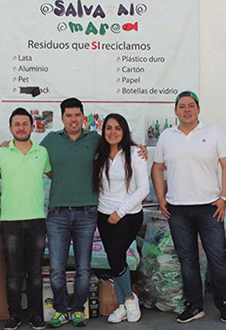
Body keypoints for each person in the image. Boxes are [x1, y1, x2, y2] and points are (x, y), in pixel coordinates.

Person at [38, 98, 147, 328]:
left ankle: (80, 309)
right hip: (60, 213)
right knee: (57, 267)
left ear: (83, 116)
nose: (73, 119)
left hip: (88, 213)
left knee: (86, 266)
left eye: (77, 115)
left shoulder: (96, 140)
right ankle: (60, 310)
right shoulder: (50, 141)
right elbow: (34, 159)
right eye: (69, 115)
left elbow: (123, 145)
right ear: (62, 117)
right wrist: (8, 145)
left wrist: (141, 149)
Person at [151, 91, 226, 324]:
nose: (186, 110)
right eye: (181, 106)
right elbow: (157, 168)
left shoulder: (214, 132)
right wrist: (161, 198)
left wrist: (224, 198)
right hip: (178, 209)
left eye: (191, 106)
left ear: (198, 109)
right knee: (187, 259)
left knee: (217, 257)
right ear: (175, 111)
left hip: (210, 207)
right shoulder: (167, 136)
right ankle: (194, 305)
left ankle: (225, 305)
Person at [0, 108, 51, 330]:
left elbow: (57, 175)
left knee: (35, 272)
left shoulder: (42, 153)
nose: (21, 128)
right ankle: (14, 315)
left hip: (37, 220)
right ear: (10, 128)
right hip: (10, 222)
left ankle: (36, 315)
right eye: (17, 124)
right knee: (14, 273)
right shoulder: (0, 154)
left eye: (25, 123)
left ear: (32, 127)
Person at [93, 114, 149, 324]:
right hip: (103, 214)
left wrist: (120, 211)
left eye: (117, 128)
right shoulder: (99, 154)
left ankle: (129, 298)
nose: (113, 132)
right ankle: (123, 306)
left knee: (116, 257)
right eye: (109, 128)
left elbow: (143, 189)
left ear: (124, 131)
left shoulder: (135, 153)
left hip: (128, 216)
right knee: (115, 260)